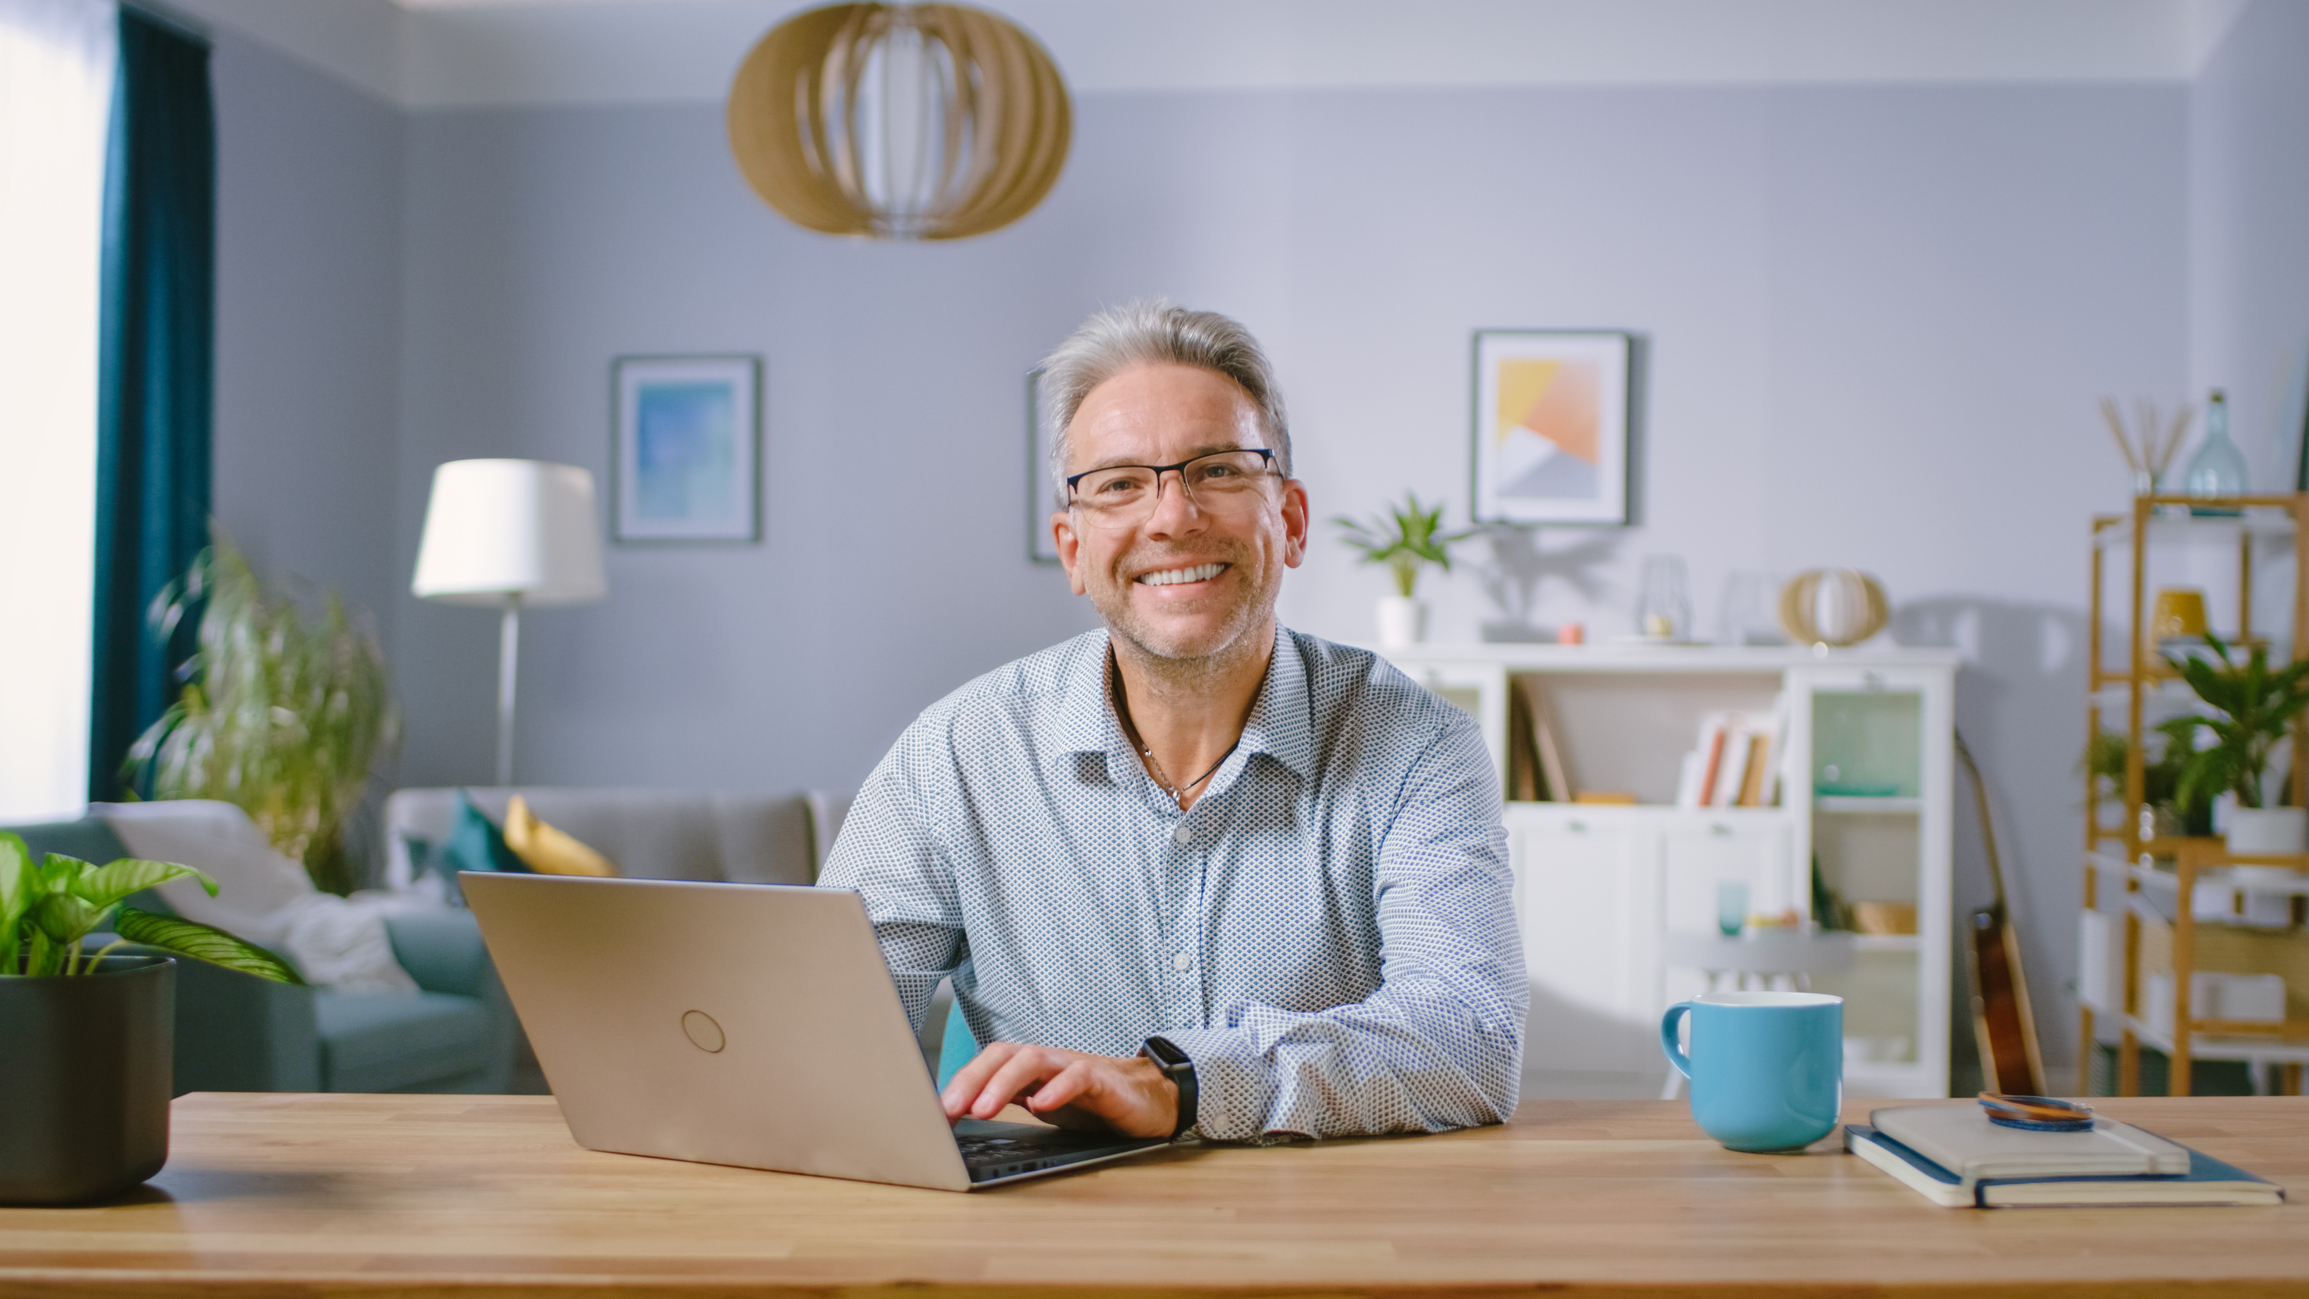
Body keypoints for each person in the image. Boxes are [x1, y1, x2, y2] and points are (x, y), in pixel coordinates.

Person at [817, 302, 1523, 1143]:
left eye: (1218, 470)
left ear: (1290, 521)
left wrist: (1181, 1083)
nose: (1172, 517)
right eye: (1118, 483)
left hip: (1330, 1245)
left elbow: (1470, 1039)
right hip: (1047, 1247)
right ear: (1073, 549)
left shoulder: (1420, 747)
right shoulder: (952, 756)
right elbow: (823, 1044)